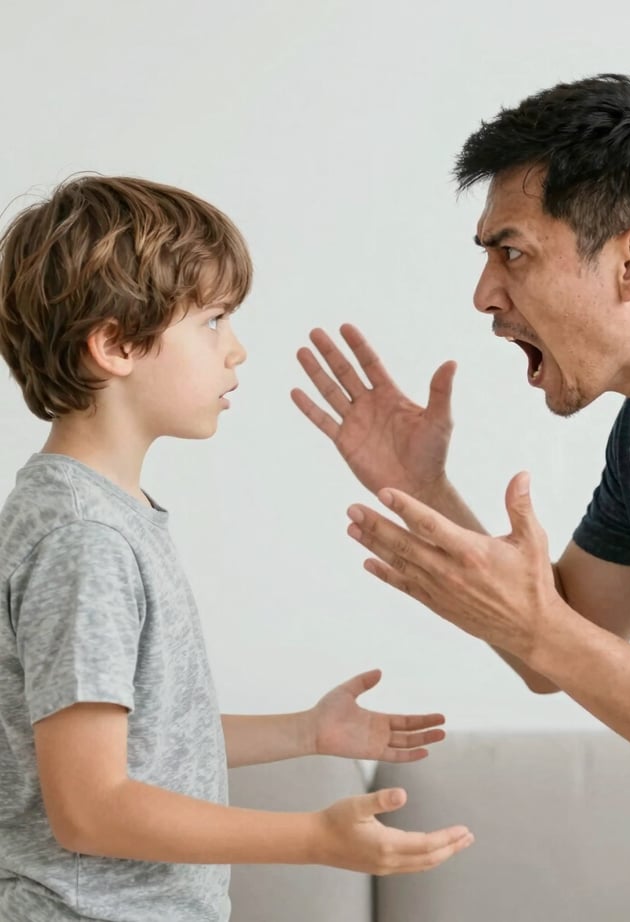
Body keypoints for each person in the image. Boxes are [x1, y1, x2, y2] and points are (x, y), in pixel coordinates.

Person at [291, 72, 630, 920]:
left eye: (511, 252)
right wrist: (425, 490)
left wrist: (539, 629)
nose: (485, 295)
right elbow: (557, 643)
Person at [0, 175, 474, 922]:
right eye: (214, 321)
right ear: (116, 344)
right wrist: (314, 837)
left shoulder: (105, 517)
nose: (237, 350)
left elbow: (136, 750)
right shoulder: (83, 540)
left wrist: (305, 733)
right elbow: (90, 809)